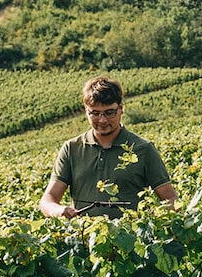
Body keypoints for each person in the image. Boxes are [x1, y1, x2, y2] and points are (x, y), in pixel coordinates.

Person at [39, 76, 178, 219]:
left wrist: (153, 219)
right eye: (95, 113)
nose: (102, 120)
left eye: (109, 112)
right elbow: (47, 199)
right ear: (86, 111)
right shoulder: (72, 149)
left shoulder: (143, 149)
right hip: (82, 238)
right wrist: (58, 210)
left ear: (121, 109)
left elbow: (170, 198)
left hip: (131, 239)